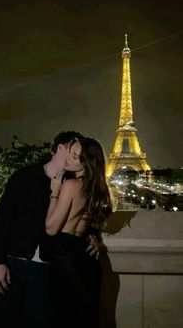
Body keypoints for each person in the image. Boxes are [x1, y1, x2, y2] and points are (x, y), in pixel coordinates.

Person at [0, 131, 100, 328]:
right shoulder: (25, 177)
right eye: (73, 153)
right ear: (61, 149)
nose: (76, 159)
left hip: (47, 269)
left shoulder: (70, 184)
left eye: (80, 156)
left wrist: (94, 237)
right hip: (14, 263)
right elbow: (0, 221)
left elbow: (82, 218)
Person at [45, 137, 112, 328]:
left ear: (86, 162)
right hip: (85, 257)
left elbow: (51, 228)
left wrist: (55, 192)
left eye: (75, 157)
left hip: (65, 256)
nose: (69, 159)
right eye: (70, 153)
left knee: (65, 316)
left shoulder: (70, 185)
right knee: (86, 315)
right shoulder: (95, 188)